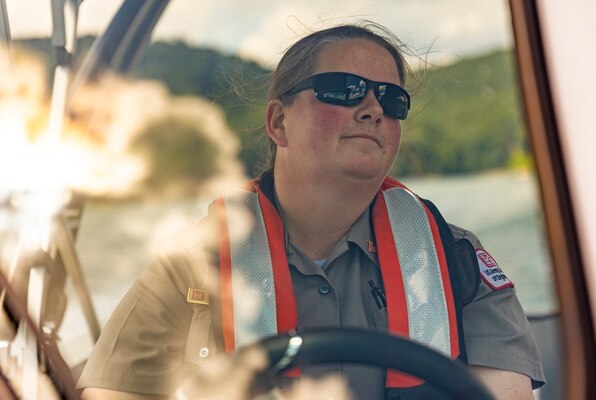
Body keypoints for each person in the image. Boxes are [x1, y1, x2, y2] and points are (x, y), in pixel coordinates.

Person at [78, 22, 545, 400]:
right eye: (344, 89)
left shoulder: (456, 259)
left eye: (391, 98)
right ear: (279, 122)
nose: (372, 109)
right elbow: (110, 392)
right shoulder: (191, 264)